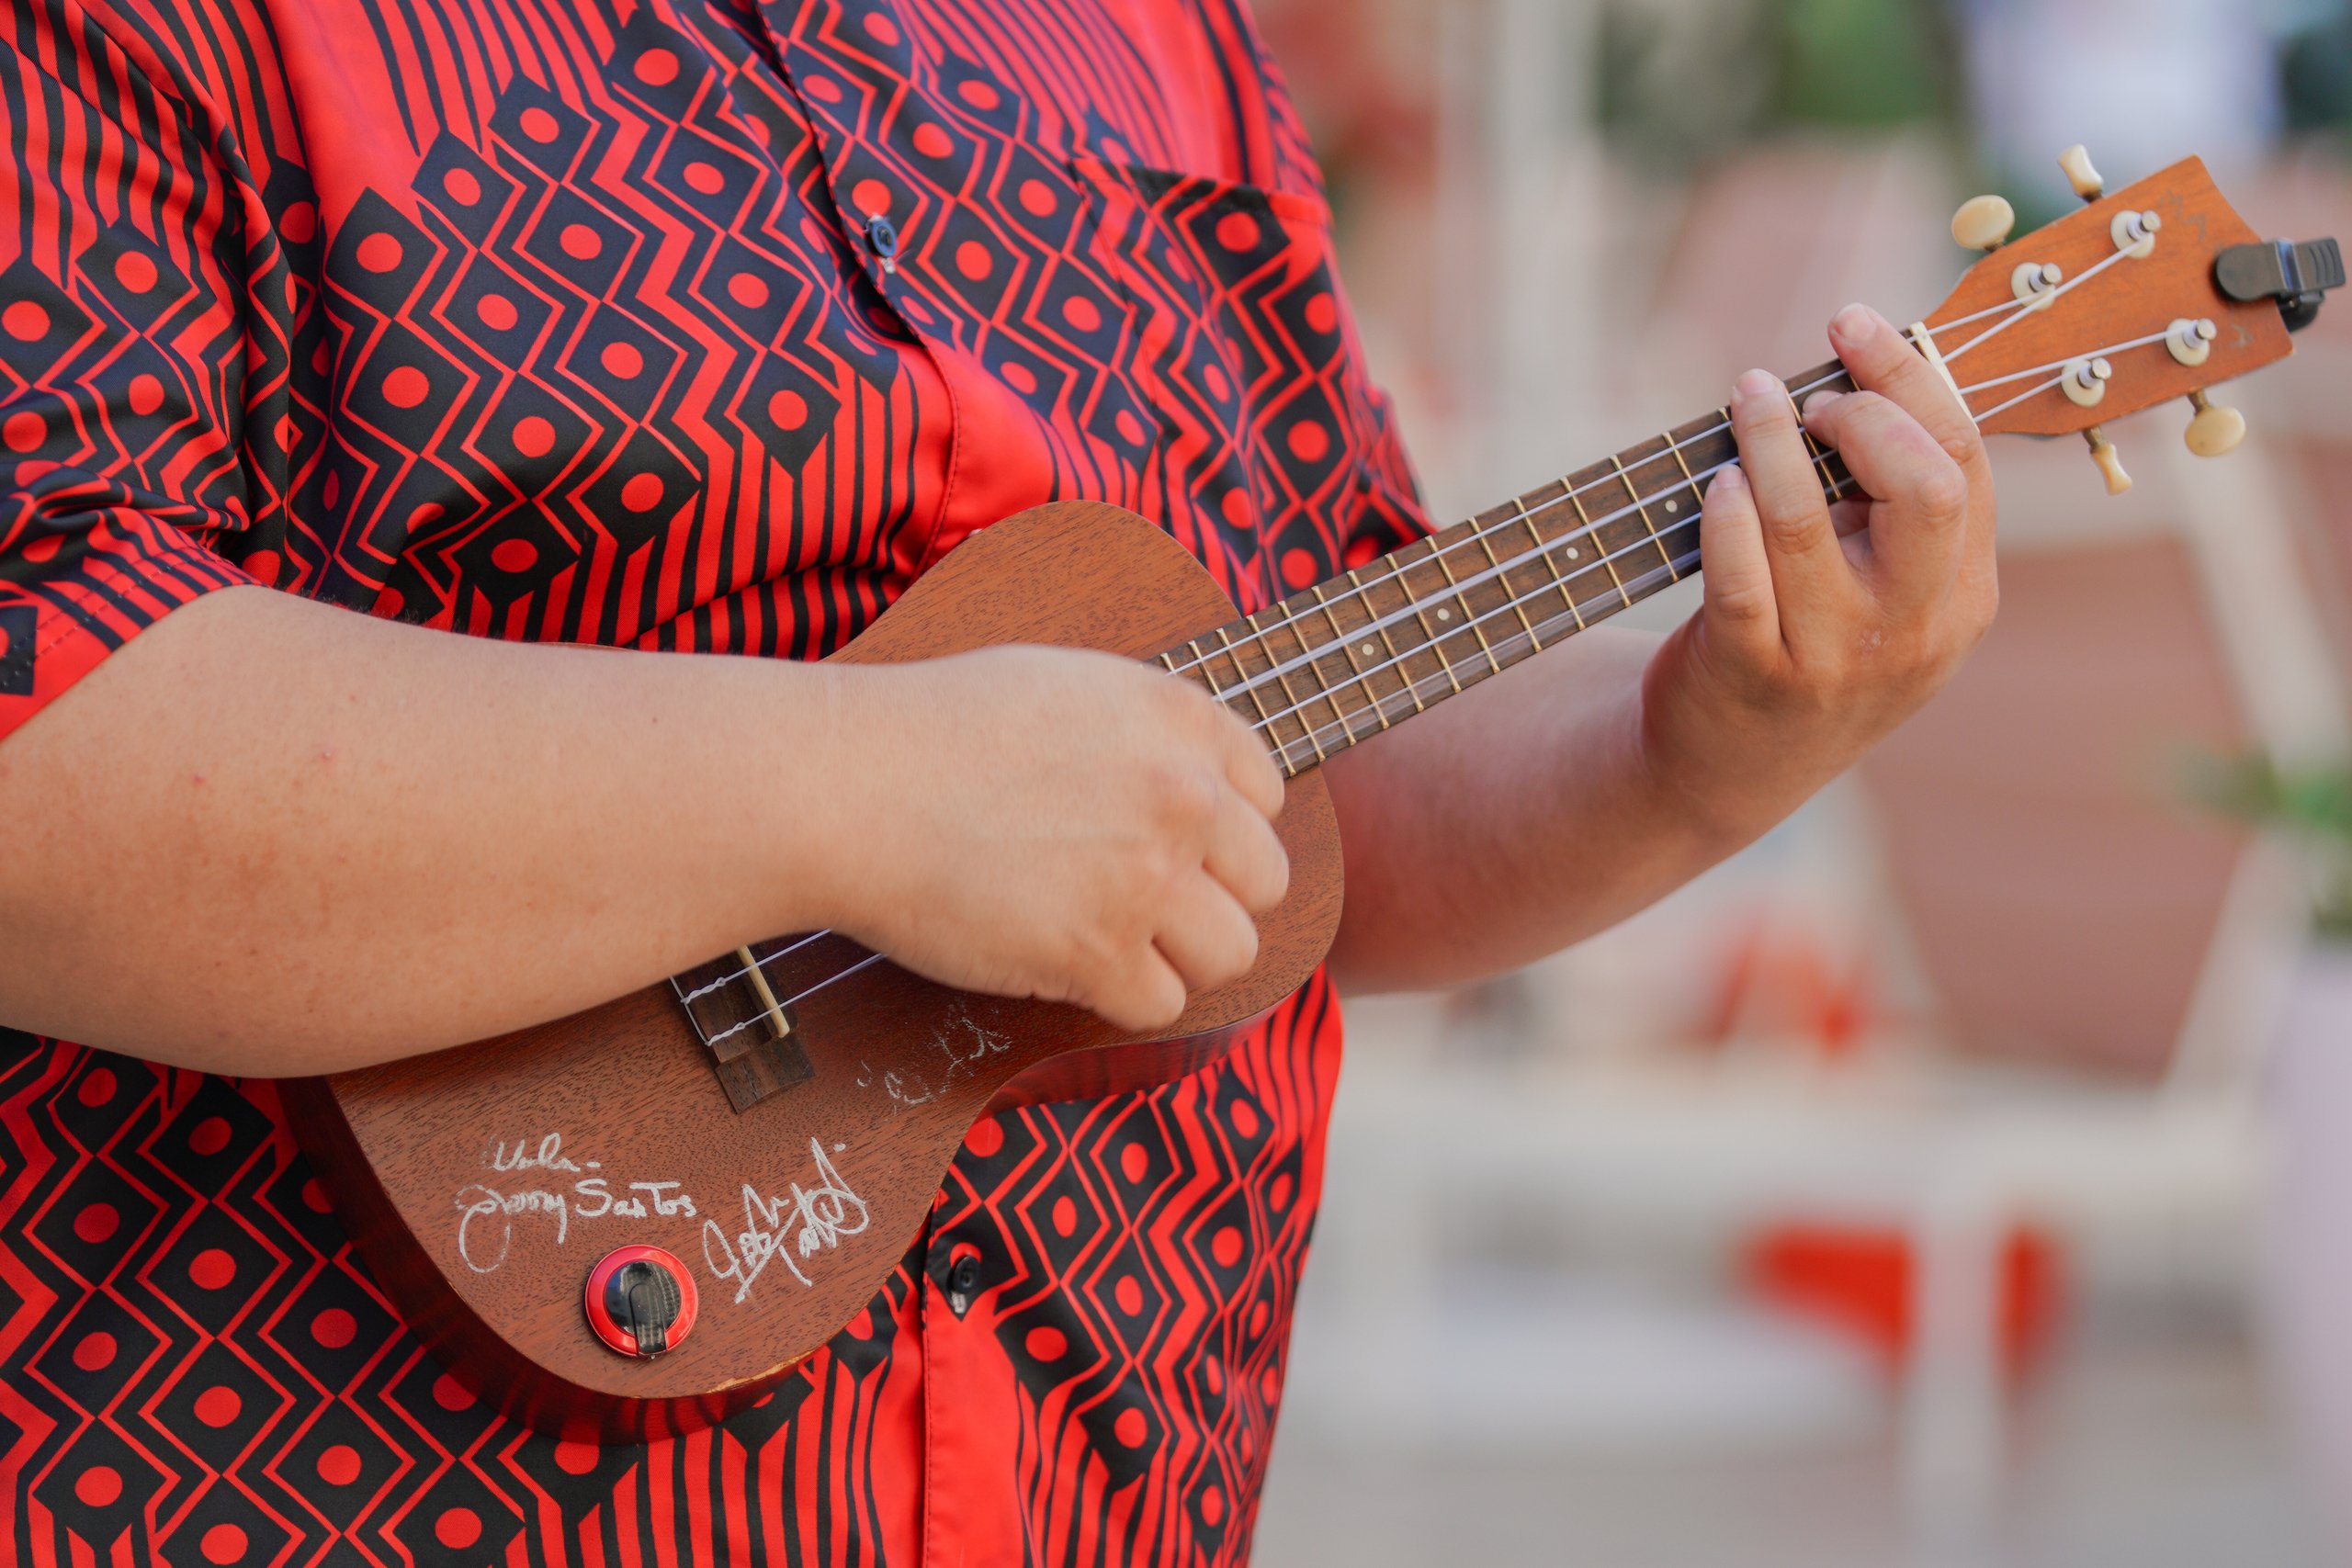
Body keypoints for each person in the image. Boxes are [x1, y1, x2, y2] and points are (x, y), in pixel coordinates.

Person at [0, 0, 1996, 1562]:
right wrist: (856, 795)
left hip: (1100, 1473)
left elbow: (1274, 799)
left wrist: (1700, 748)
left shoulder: (1147, 32)